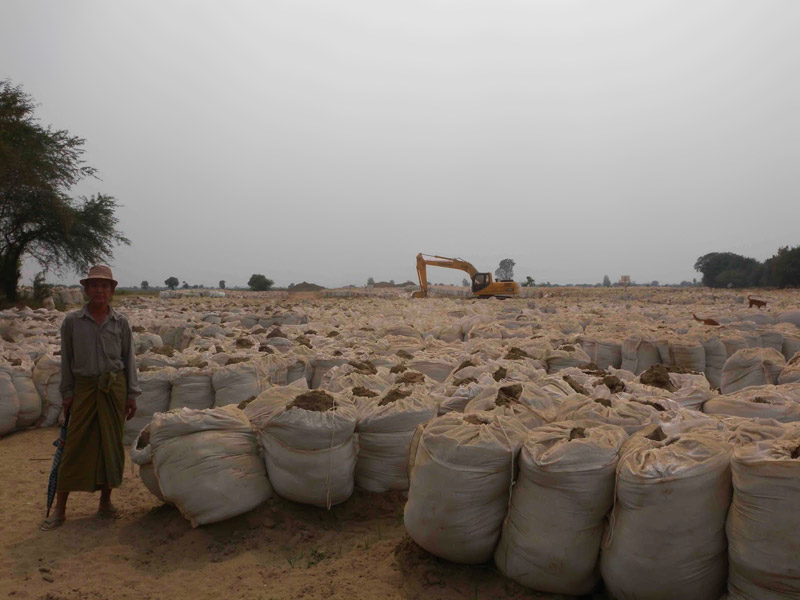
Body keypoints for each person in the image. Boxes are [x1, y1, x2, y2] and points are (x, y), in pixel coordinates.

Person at [40, 265, 140, 531]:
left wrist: (131, 394)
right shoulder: (72, 322)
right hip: (84, 389)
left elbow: (128, 358)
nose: (100, 290)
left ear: (112, 291)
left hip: (114, 389)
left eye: (105, 286)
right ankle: (60, 509)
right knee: (73, 447)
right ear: (85, 289)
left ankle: (105, 503)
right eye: (94, 285)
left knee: (111, 445)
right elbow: (67, 360)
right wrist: (68, 393)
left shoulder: (120, 322)